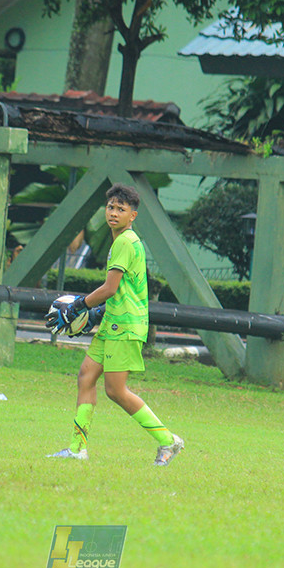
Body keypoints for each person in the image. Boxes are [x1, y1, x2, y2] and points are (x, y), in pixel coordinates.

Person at [46, 183, 185, 466]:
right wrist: (97, 314)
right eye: (111, 207)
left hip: (125, 325)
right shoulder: (124, 240)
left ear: (132, 215)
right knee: (86, 376)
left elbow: (110, 288)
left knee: (115, 390)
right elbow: (124, 291)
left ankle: (168, 440)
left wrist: (78, 307)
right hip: (114, 322)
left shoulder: (125, 241)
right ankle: (77, 448)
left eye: (121, 209)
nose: (114, 213)